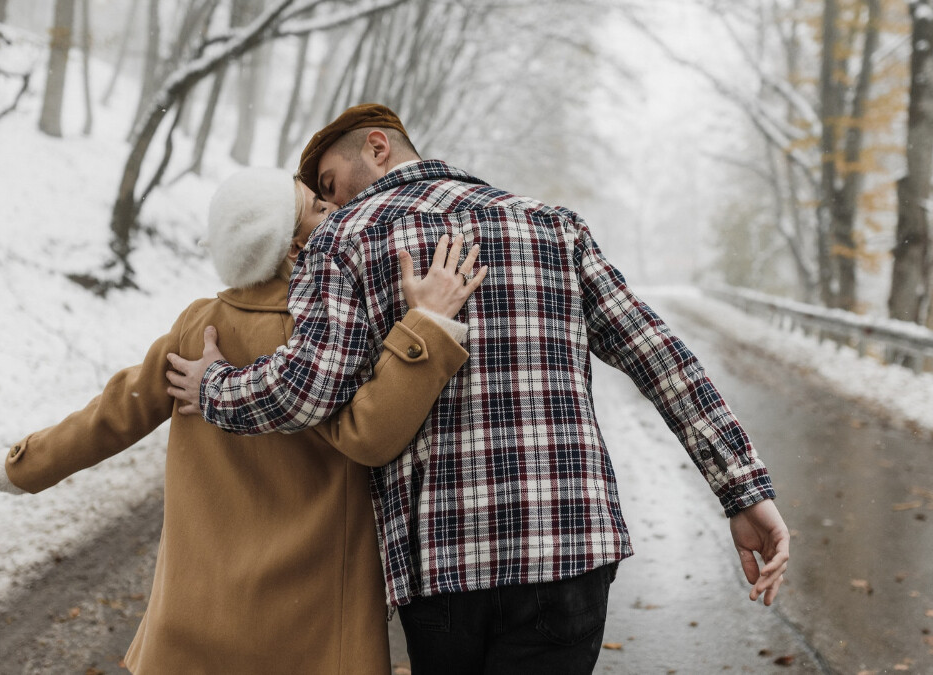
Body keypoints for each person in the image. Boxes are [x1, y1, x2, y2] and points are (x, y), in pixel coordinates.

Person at [166, 104, 790, 675]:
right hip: (569, 547)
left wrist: (213, 387)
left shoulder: (346, 238)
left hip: (444, 561)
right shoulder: (553, 226)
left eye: (330, 183)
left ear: (377, 147)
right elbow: (659, 357)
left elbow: (307, 389)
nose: (331, 204)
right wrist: (742, 490)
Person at [0, 167, 488, 674]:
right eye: (318, 207)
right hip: (310, 625)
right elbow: (376, 428)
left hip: (195, 620)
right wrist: (430, 326)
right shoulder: (333, 335)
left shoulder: (199, 327)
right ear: (294, 248)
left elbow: (114, 414)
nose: (336, 209)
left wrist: (21, 465)